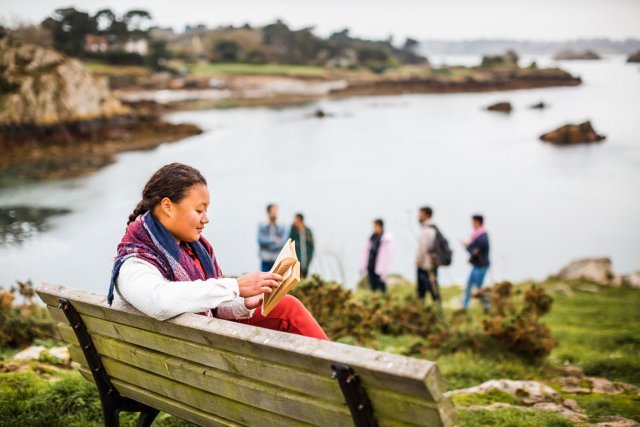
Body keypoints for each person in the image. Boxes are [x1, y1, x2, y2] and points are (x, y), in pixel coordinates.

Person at [108, 163, 328, 340]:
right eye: (199, 210)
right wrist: (234, 286)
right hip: (193, 359)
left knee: (285, 306)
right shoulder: (134, 262)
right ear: (167, 206)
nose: (206, 219)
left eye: (206, 210)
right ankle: (347, 383)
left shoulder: (191, 249)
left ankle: (342, 379)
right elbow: (159, 301)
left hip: (193, 348)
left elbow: (205, 305)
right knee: (287, 311)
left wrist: (243, 303)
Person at [463, 214, 490, 312]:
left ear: (478, 222)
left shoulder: (482, 237)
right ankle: (465, 307)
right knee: (469, 285)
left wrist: (467, 247)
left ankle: (487, 307)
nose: (472, 224)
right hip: (476, 265)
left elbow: (474, 251)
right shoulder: (477, 236)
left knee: (479, 288)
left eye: (473, 222)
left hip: (481, 266)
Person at [359, 219, 393, 293]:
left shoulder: (385, 239)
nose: (374, 228)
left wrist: (383, 269)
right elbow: (365, 253)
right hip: (370, 266)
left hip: (379, 268)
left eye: (376, 226)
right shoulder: (371, 238)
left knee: (381, 287)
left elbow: (385, 256)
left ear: (380, 226)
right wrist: (362, 266)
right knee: (373, 287)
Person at [416, 206, 441, 304]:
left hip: (426, 265)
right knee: (433, 289)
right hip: (431, 264)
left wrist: (418, 263)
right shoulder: (433, 228)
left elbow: (423, 249)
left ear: (426, 215)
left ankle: (424, 311)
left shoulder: (427, 230)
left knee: (427, 291)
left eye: (420, 214)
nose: (418, 217)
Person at [258, 204, 287, 272]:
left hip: (277, 260)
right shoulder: (262, 226)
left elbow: (282, 243)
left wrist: (268, 245)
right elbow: (260, 240)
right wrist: (273, 239)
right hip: (265, 259)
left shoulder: (282, 227)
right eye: (273, 211)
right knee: (264, 281)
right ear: (268, 212)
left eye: (276, 211)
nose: (275, 213)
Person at [288, 213, 314, 278]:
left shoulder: (308, 232)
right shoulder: (293, 231)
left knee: (304, 279)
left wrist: (309, 259)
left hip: (306, 262)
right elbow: (289, 244)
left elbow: (312, 246)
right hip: (296, 262)